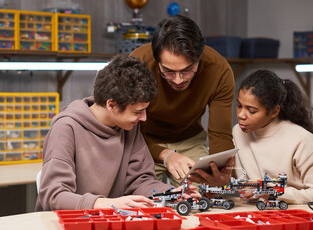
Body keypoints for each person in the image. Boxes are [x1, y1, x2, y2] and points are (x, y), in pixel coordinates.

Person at [35, 55, 200, 211]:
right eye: (137, 112)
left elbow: (140, 182)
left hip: (110, 222)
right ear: (111, 105)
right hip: (66, 227)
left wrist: (171, 193)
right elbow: (54, 195)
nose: (143, 118)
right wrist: (106, 203)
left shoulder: (128, 127)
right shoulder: (66, 128)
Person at [130, 15, 235, 187]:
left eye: (187, 70)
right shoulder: (138, 64)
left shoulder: (219, 70)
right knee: (141, 197)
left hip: (190, 139)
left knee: (200, 195)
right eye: (168, 71)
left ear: (199, 58)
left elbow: (220, 134)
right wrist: (165, 154)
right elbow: (126, 130)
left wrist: (221, 173)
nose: (178, 80)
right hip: (143, 140)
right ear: (157, 61)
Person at [233, 69, 313, 204]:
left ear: (274, 111)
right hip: (256, 209)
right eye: (239, 106)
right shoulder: (238, 132)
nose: (241, 115)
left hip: (295, 212)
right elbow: (244, 182)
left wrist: (273, 192)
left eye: (251, 111)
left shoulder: (302, 139)